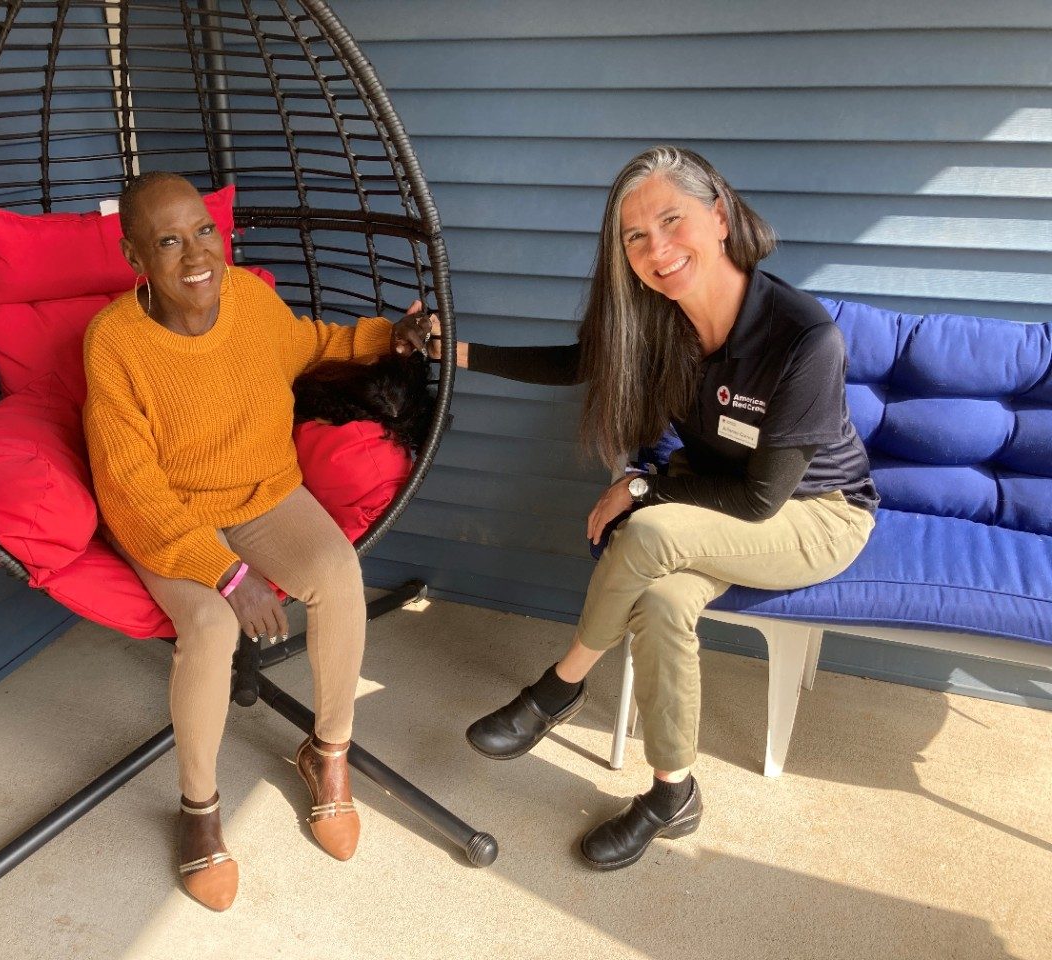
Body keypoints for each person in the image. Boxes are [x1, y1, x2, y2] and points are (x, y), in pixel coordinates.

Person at [431, 145, 878, 870]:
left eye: (672, 220)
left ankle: (557, 688)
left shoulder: (803, 338)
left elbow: (762, 498)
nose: (656, 249)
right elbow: (575, 364)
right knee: (665, 601)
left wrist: (643, 486)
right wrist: (456, 351)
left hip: (815, 514)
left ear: (720, 216)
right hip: (715, 504)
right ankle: (674, 795)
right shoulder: (658, 318)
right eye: (635, 236)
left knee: (651, 529)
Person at [83, 171, 430, 910]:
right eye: (168, 241)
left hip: (267, 494)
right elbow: (129, 492)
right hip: (172, 519)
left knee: (338, 574)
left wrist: (386, 339)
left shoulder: (244, 296)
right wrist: (227, 573)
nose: (195, 255)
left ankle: (326, 753)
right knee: (208, 626)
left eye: (203, 230)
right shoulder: (114, 341)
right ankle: (199, 808)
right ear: (134, 257)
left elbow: (308, 345)